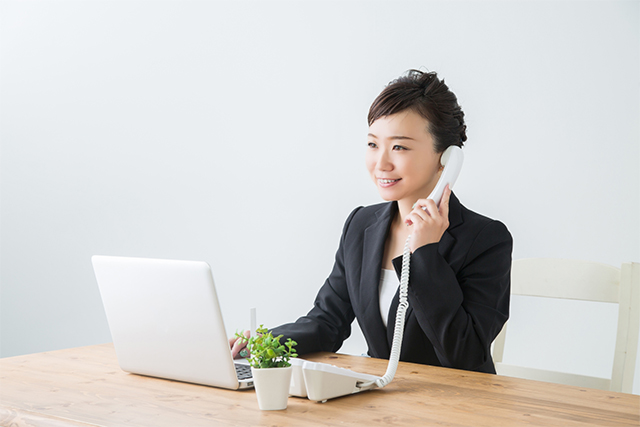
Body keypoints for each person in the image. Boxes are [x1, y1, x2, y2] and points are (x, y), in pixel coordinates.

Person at [230, 70, 512, 374]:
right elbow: (327, 322)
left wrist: (425, 254)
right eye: (373, 144)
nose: (381, 164)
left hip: (456, 408)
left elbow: (466, 355)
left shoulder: (486, 239)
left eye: (400, 147)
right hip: (379, 401)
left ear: (445, 158)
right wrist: (264, 342)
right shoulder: (361, 225)